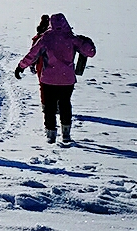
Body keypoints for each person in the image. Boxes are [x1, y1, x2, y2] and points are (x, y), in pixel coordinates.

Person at [15, 12, 96, 145]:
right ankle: (66, 133)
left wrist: (21, 66)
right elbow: (90, 52)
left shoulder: (46, 38)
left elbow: (32, 54)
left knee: (50, 108)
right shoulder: (72, 38)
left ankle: (51, 134)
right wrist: (85, 41)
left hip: (48, 80)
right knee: (65, 105)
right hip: (67, 80)